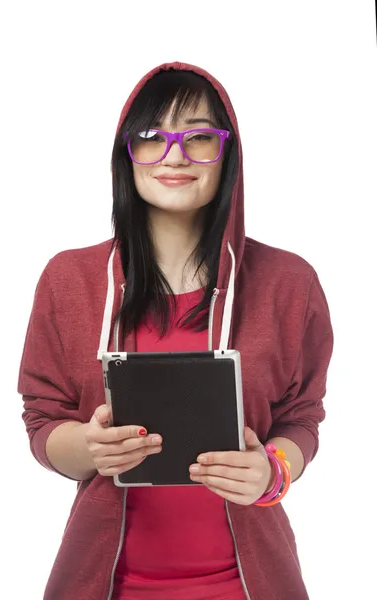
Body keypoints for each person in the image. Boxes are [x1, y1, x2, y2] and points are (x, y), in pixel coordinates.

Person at [18, 61, 334, 600]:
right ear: (127, 154)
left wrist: (272, 472)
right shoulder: (67, 279)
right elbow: (43, 422)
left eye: (199, 137)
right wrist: (91, 448)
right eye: (151, 137)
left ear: (227, 154)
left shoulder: (289, 282)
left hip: (249, 586)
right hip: (104, 586)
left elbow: (301, 418)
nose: (175, 155)